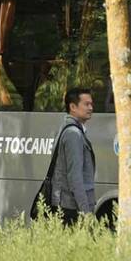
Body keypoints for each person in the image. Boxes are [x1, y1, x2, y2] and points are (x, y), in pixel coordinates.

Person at [51, 87, 96, 226]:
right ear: (73, 107)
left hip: (69, 205)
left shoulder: (71, 129)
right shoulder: (73, 134)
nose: (90, 108)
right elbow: (75, 177)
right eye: (86, 104)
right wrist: (86, 212)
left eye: (91, 104)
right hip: (70, 207)